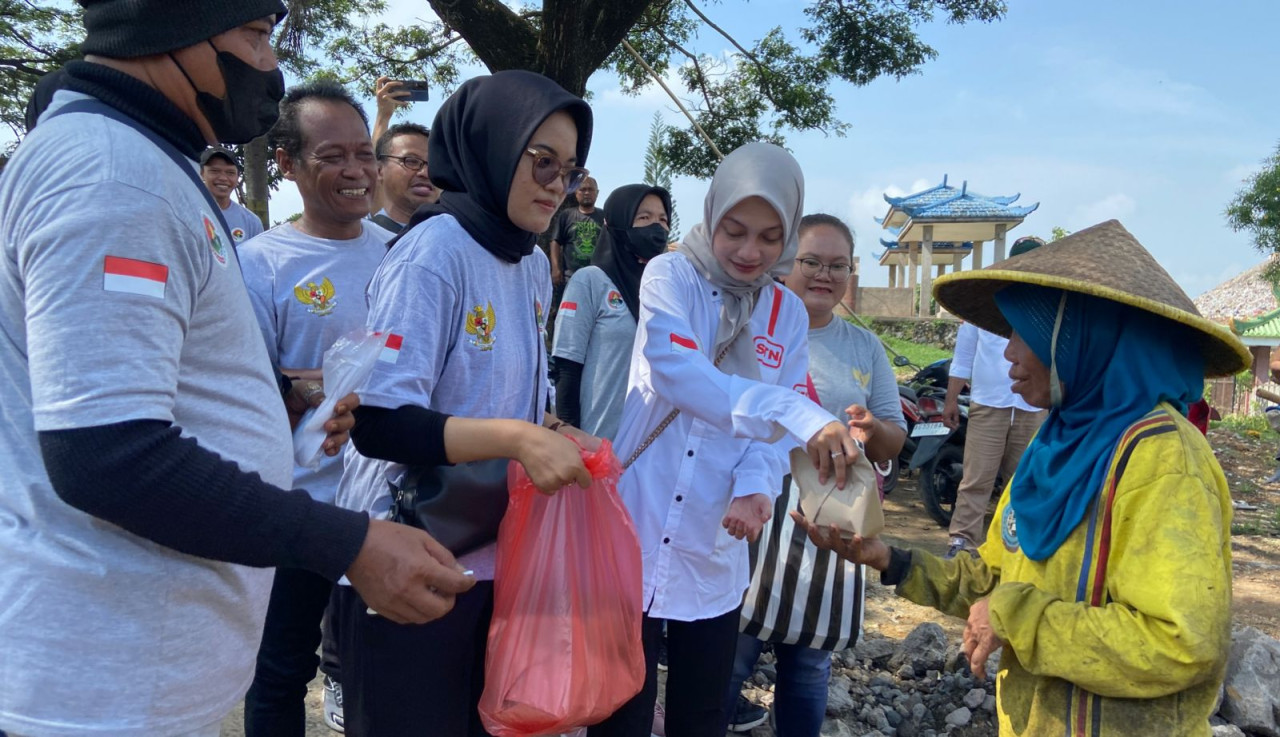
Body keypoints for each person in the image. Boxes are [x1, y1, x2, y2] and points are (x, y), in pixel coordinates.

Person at [0, 3, 474, 736]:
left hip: (133, 666)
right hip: (101, 680)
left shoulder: (140, 162)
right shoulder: (113, 176)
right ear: (170, 31)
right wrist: (346, 542)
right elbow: (106, 452)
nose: (267, 66)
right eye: (254, 37)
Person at [795, 219, 1246, 737]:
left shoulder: (1164, 462)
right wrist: (889, 558)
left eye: (1020, 335)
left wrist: (1015, 616)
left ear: (1080, 341)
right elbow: (994, 582)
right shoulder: (1054, 445)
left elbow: (1182, 644)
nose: (1007, 353)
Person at [332, 69, 599, 737]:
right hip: (410, 556)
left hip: (493, 553)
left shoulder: (531, 262)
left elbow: (508, 393)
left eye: (568, 169)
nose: (555, 184)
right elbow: (381, 421)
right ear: (491, 146)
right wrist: (518, 439)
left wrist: (554, 428)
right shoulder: (433, 255)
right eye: (541, 161)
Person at [589, 143, 862, 737]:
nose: (749, 252)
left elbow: (770, 432)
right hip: (639, 510)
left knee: (702, 709)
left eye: (769, 238)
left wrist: (755, 485)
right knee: (619, 705)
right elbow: (680, 374)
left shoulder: (784, 312)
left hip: (714, 531)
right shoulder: (670, 275)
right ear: (711, 215)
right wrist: (799, 412)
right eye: (734, 230)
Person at [238, 80, 392, 737]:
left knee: (379, 677)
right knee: (279, 672)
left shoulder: (402, 254)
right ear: (288, 164)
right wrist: (295, 387)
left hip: (388, 510)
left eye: (366, 153)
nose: (356, 171)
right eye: (333, 156)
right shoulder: (259, 263)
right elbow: (239, 389)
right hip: (298, 510)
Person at [726, 214, 907, 735]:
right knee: (735, 648)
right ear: (787, 264)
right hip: (753, 506)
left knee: (809, 663)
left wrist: (874, 430)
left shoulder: (864, 348)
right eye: (810, 262)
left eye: (838, 265)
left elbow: (895, 437)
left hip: (831, 520)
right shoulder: (750, 324)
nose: (823, 274)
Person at [939, 236, 1047, 559]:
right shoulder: (987, 303)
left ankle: (1015, 550)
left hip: (1033, 408)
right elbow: (963, 355)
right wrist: (950, 400)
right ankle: (962, 542)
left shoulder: (1048, 308)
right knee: (976, 479)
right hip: (989, 403)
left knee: (1024, 481)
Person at [554, 183, 672, 441]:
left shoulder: (668, 291)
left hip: (651, 451)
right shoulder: (590, 281)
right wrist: (571, 441)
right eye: (644, 217)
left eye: (663, 219)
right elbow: (567, 368)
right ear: (618, 221)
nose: (657, 227)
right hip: (600, 445)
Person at [372, 122, 437, 234]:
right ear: (379, 170)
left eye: (434, 164)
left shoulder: (459, 239)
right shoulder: (358, 242)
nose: (425, 173)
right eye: (411, 161)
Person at [199, 145, 265, 244]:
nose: (223, 178)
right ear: (202, 174)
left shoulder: (251, 222)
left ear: (238, 177)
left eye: (230, 173)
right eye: (215, 171)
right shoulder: (188, 212)